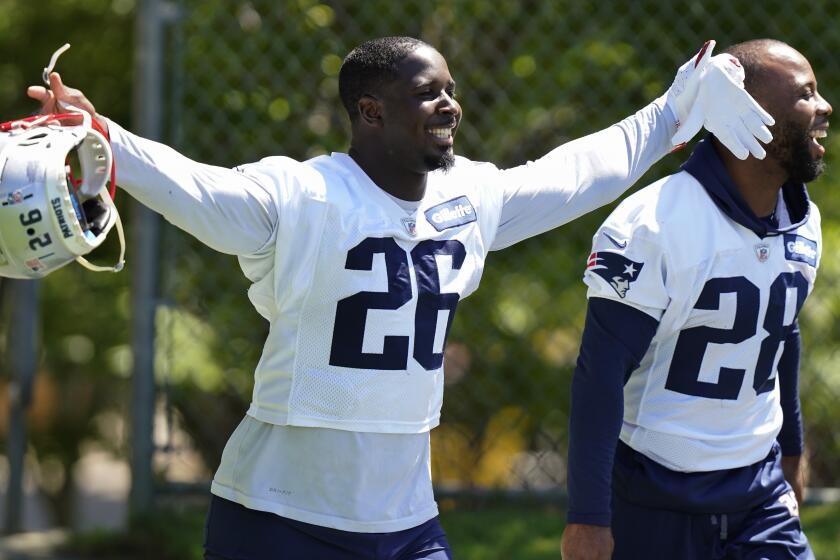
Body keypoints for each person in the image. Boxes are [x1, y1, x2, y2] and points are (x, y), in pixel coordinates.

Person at [29, 37, 772, 560]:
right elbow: (191, 185)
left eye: (451, 89)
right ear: (370, 111)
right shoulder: (299, 194)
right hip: (278, 516)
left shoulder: (470, 196)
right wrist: (105, 137)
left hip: (405, 521)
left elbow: (580, 170)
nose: (449, 104)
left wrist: (674, 108)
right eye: (428, 93)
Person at [562, 39, 830, 560]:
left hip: (759, 493)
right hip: (653, 498)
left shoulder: (802, 219)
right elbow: (600, 375)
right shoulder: (653, 224)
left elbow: (781, 336)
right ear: (746, 112)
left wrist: (793, 453)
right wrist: (588, 518)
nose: (824, 108)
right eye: (806, 94)